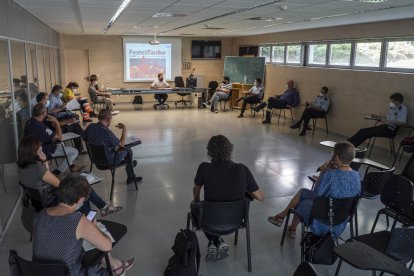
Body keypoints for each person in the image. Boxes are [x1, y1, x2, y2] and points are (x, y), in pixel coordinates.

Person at [32, 174, 134, 276]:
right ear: (81, 199)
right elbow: (107, 246)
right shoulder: (79, 221)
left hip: (38, 271)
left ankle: (117, 266)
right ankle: (118, 268)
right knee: (108, 270)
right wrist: (94, 227)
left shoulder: (41, 214)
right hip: (69, 273)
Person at [192, 135, 264, 262]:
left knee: (195, 207)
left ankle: (215, 241)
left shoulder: (204, 168)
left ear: (210, 152)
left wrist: (196, 201)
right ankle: (216, 241)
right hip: (235, 221)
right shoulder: (242, 169)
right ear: (229, 150)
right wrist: (245, 188)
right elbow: (260, 197)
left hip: (210, 220)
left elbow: (196, 190)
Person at [267, 142, 361, 238]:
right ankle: (285, 220)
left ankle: (289, 225)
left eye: (332, 153)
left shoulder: (331, 175)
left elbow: (317, 194)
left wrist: (323, 172)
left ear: (336, 158)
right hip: (340, 220)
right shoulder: (357, 175)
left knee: (304, 202)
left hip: (324, 220)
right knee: (303, 192)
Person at [17, 135, 122, 216]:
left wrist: (44, 162)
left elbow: (46, 177)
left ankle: (102, 208)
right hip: (50, 202)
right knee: (82, 189)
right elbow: (59, 185)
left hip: (39, 203)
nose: (42, 150)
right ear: (32, 153)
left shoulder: (22, 167)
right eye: (39, 150)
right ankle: (89, 220)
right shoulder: (38, 170)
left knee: (79, 183)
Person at [85, 109, 142, 185]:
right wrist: (124, 129)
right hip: (108, 161)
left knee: (113, 148)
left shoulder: (90, 127)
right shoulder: (107, 132)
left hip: (95, 159)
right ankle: (130, 174)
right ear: (108, 119)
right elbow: (121, 145)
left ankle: (129, 164)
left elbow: (85, 138)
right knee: (128, 150)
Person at [24, 104, 84, 175]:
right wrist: (56, 122)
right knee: (74, 152)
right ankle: (57, 172)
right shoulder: (41, 128)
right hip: (43, 151)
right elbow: (59, 137)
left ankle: (71, 166)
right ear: (43, 114)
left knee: (61, 144)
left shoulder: (29, 122)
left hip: (31, 149)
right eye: (46, 112)